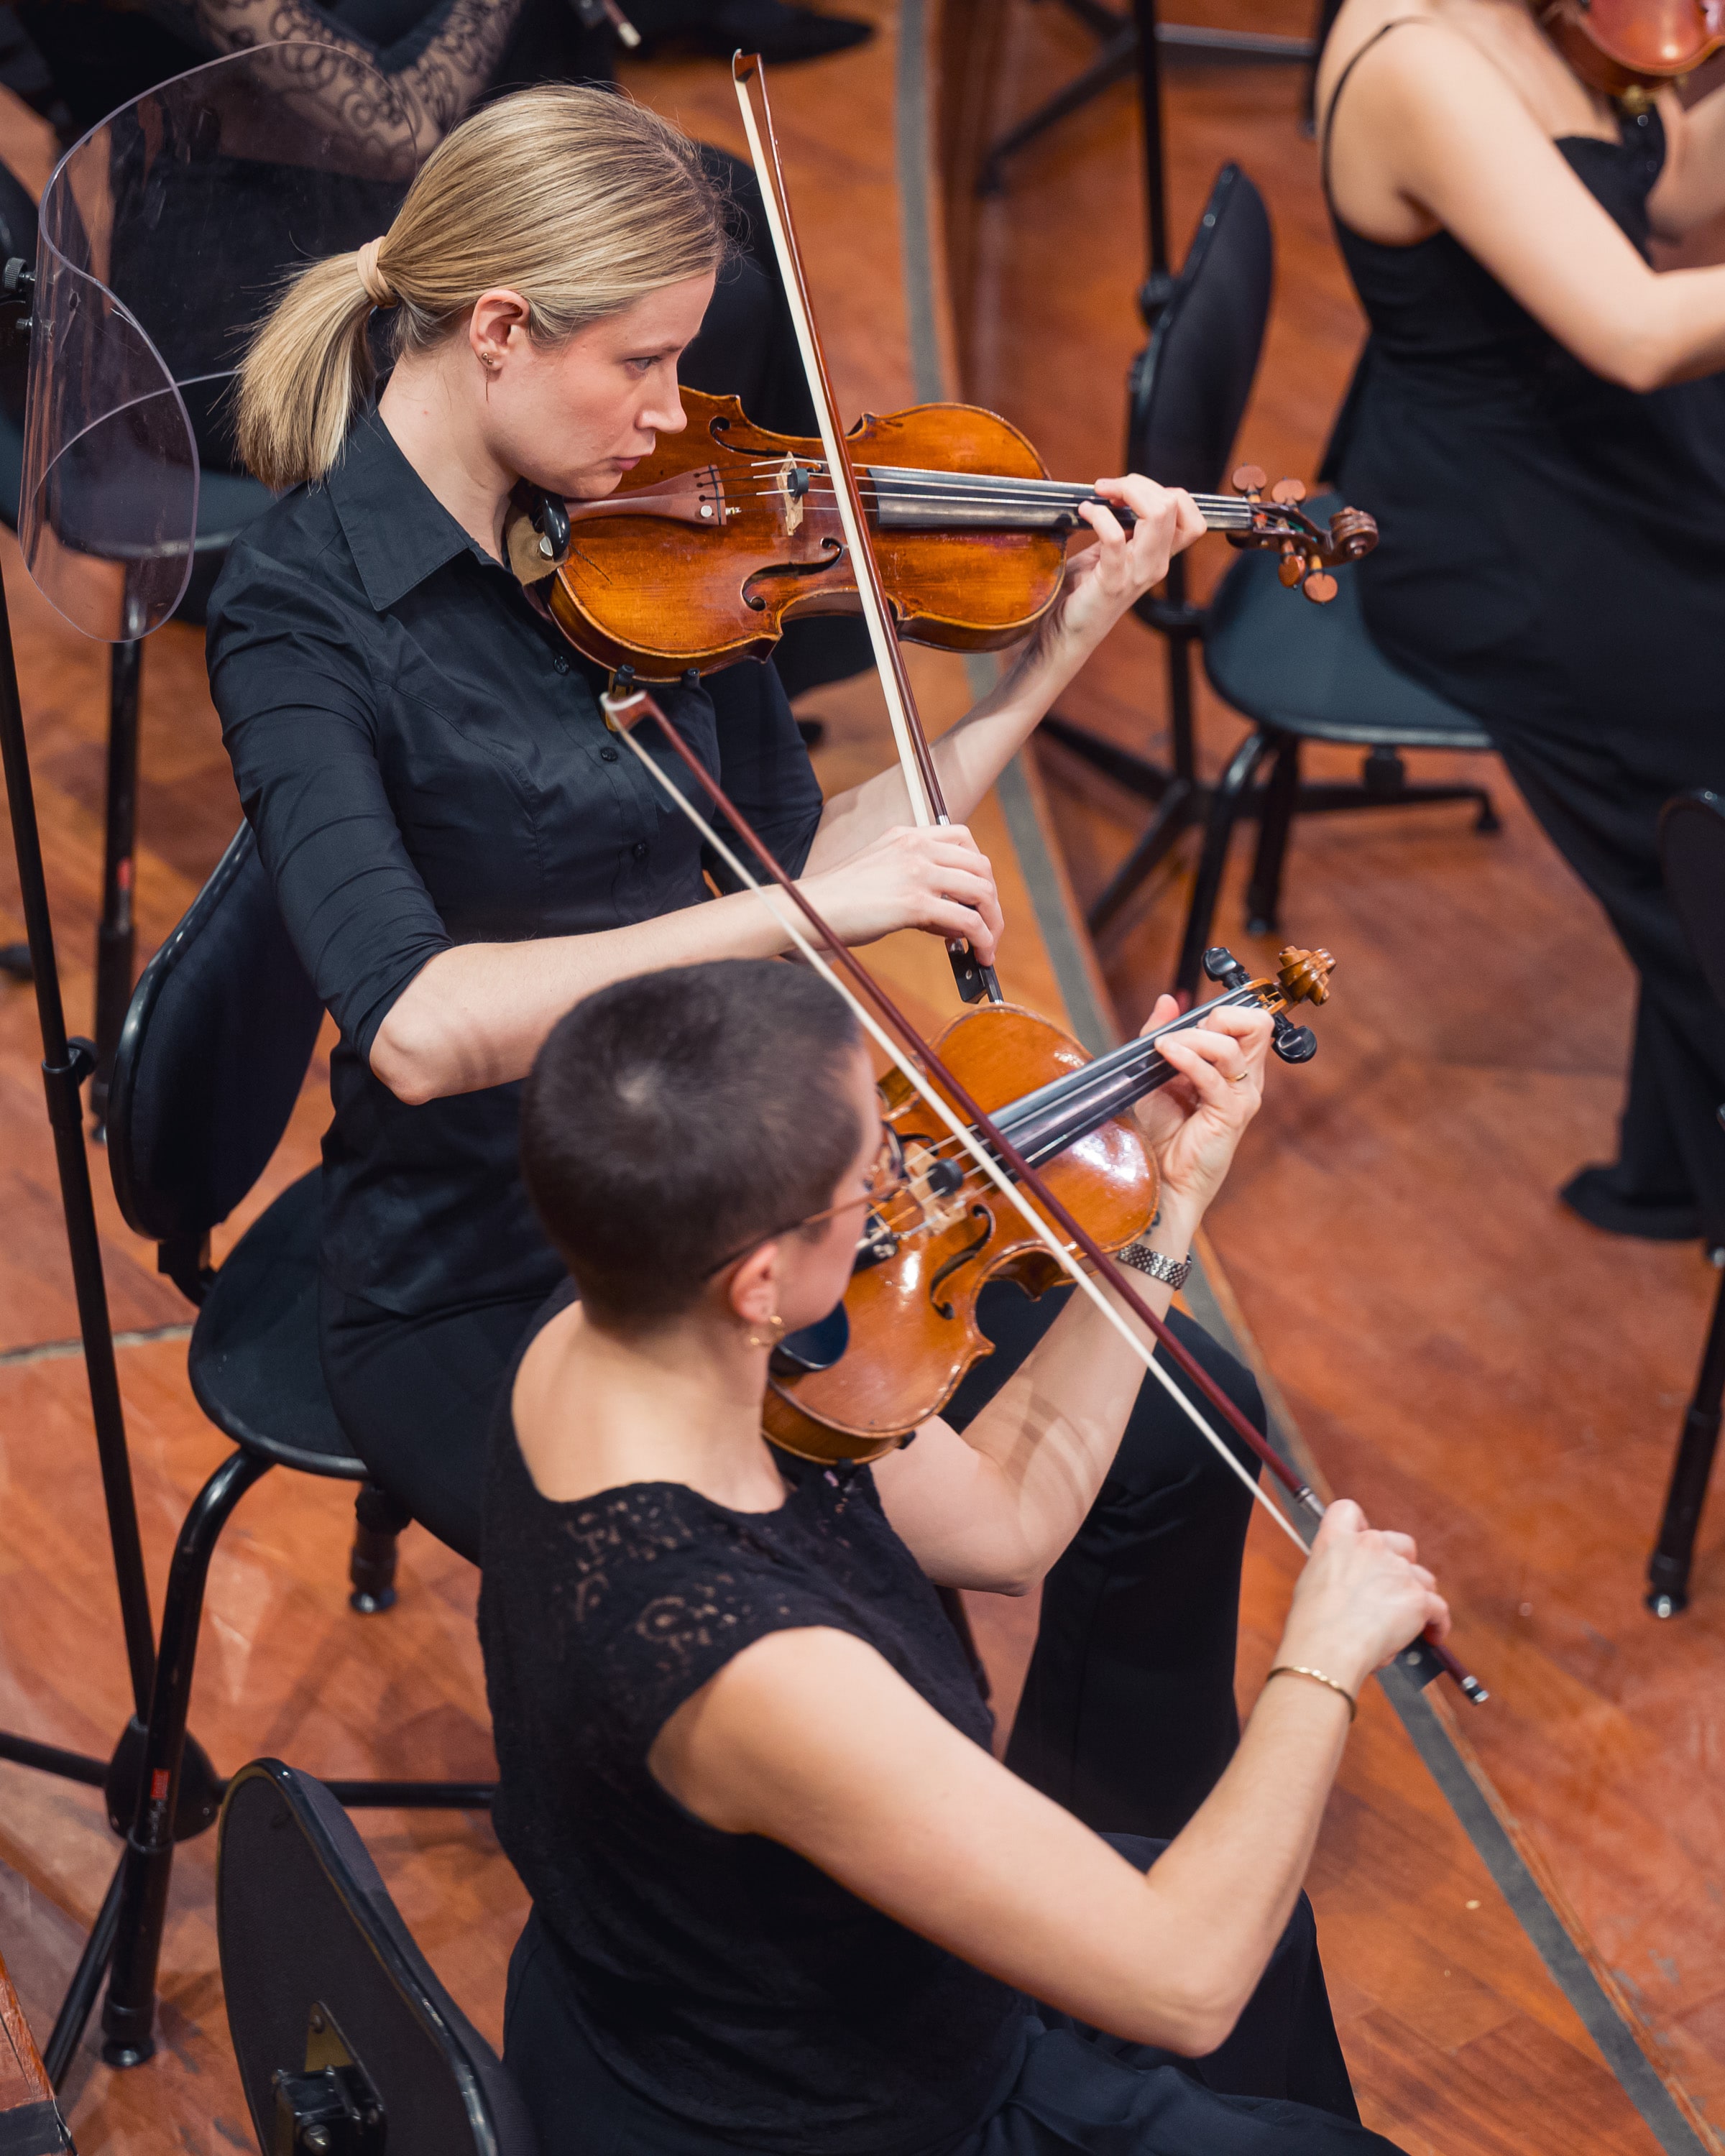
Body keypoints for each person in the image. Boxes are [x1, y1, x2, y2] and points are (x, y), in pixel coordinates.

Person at [208, 78, 1284, 1846]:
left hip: (754, 1171)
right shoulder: (304, 615)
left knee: (1179, 1433)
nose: (672, 412)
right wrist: (809, 922)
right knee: (888, 1615)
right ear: (496, 330)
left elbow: (813, 858)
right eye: (637, 363)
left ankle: (1108, 1871)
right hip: (505, 1260)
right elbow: (414, 1026)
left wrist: (1045, 667)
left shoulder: (660, 533)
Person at [479, 955, 1448, 2155]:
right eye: (872, 1172)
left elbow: (1007, 1527)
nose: (918, 1179)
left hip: (720, 1980)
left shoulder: (612, 1329)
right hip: (836, 2106)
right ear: (762, 1279)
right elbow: (1186, 1982)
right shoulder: (746, 1662)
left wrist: (1168, 1204)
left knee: (1281, 1939)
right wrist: (1321, 1658)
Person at [1316, 0, 1725, 1248]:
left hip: (1598, 453)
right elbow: (1640, 331)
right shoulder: (1419, 60)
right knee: (1702, 817)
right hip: (1504, 529)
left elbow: (1662, 205)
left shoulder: (1571, 22)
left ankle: (1673, 1161)